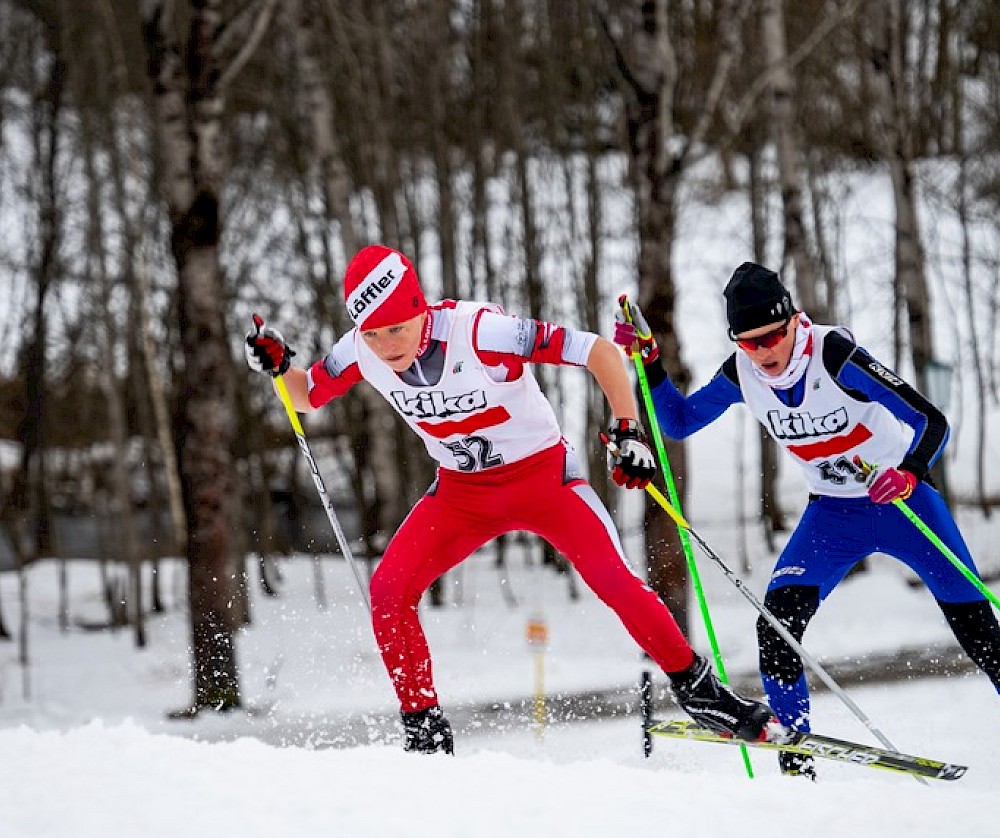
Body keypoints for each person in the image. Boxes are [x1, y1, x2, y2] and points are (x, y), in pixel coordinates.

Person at [245, 244, 774, 753]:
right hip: (461, 495)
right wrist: (277, 361)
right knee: (388, 590)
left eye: (397, 329)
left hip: (544, 481)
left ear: (420, 309)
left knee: (614, 580)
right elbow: (305, 394)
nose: (387, 346)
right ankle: (424, 731)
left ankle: (701, 693)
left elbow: (598, 352)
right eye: (375, 333)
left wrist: (627, 428)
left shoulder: (481, 331)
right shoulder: (360, 348)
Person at [615, 261, 1000, 778]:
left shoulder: (835, 356)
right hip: (832, 516)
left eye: (773, 336)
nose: (765, 352)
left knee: (978, 631)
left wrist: (909, 472)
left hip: (901, 505)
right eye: (749, 342)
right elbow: (680, 421)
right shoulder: (741, 372)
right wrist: (653, 366)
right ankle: (795, 764)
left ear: (794, 319)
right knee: (776, 627)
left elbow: (930, 420)